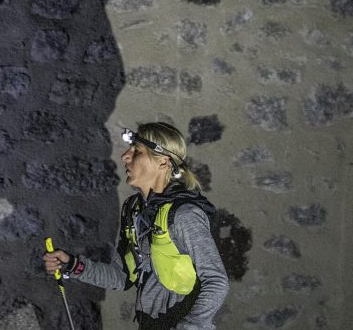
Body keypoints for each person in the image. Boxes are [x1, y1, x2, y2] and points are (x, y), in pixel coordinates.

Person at [44, 122, 229, 330]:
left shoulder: (184, 215)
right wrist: (72, 265)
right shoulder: (133, 210)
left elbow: (216, 281)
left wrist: (191, 326)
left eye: (137, 151)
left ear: (163, 162)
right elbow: (122, 277)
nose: (125, 156)